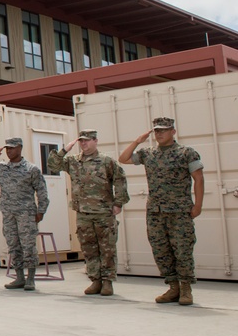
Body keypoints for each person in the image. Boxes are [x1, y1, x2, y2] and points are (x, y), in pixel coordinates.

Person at [119, 117, 203, 306]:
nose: (159, 134)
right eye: (156, 130)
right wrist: (137, 141)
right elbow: (123, 158)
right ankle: (173, 288)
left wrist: (198, 205)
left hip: (180, 210)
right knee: (161, 250)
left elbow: (199, 179)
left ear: (173, 132)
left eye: (163, 130)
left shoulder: (186, 153)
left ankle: (186, 288)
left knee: (183, 250)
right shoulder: (148, 153)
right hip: (155, 212)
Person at [49, 130, 129, 297]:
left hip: (103, 212)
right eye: (81, 141)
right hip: (83, 213)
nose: (83, 144)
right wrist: (65, 150)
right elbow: (53, 165)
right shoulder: (73, 161)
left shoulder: (107, 161)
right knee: (89, 248)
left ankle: (107, 282)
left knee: (107, 248)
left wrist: (118, 203)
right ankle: (95, 280)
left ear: (95, 141)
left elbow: (120, 179)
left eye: (87, 141)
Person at [0, 137, 49, 291]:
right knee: (13, 244)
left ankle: (31, 278)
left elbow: (42, 191)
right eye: (7, 148)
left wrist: (41, 211)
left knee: (28, 245)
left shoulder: (31, 169)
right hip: (8, 213)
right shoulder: (2, 167)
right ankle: (19, 277)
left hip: (26, 213)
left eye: (12, 148)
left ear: (20, 148)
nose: (9, 151)